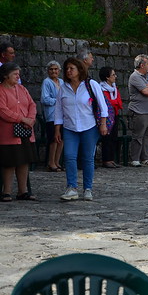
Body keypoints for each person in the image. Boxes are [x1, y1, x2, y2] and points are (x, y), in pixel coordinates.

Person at [54, 57, 109, 201]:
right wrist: (57, 129)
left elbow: (103, 106)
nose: (68, 71)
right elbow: (59, 110)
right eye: (67, 69)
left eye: (72, 68)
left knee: (88, 158)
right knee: (69, 156)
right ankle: (71, 187)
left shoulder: (91, 85)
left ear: (79, 70)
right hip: (70, 127)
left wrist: (103, 124)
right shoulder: (63, 88)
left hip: (89, 126)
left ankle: (88, 188)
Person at [0, 63, 37, 201]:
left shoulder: (22, 89)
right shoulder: (1, 90)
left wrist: (31, 119)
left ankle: (23, 191)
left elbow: (32, 104)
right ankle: (6, 191)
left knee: (23, 161)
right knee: (9, 162)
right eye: (15, 74)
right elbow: (3, 110)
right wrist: (22, 119)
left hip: (25, 132)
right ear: (5, 75)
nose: (18, 76)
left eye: (18, 73)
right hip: (8, 133)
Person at [128, 54, 148, 167]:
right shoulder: (135, 77)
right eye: (147, 64)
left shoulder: (147, 78)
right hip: (139, 111)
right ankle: (135, 158)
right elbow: (146, 92)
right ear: (142, 65)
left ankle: (145, 157)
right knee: (138, 135)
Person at [41, 60, 64, 172]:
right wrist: (58, 101)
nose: (53, 71)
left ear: (59, 71)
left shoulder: (61, 82)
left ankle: (57, 161)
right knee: (53, 139)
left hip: (62, 115)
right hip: (52, 115)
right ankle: (51, 162)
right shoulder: (47, 82)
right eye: (51, 69)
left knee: (61, 139)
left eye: (55, 69)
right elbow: (44, 99)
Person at [99, 66, 123, 168]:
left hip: (115, 115)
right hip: (107, 117)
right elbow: (108, 102)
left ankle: (111, 159)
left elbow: (119, 103)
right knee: (107, 138)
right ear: (107, 77)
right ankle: (106, 159)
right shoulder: (101, 89)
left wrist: (114, 103)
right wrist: (114, 103)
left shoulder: (114, 89)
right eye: (113, 75)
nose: (115, 77)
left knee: (113, 137)